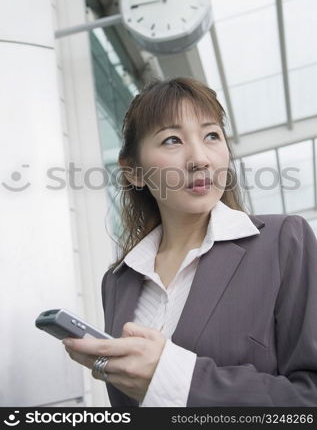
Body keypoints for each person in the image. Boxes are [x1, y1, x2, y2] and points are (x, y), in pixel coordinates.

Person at [63, 77, 317, 407]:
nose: (200, 158)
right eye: (172, 140)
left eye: (212, 135)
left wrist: (173, 379)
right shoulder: (118, 281)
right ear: (134, 171)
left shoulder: (285, 243)